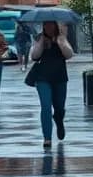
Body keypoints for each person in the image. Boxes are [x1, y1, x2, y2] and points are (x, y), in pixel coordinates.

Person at [29, 21, 75, 149]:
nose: (48, 27)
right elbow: (34, 56)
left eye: (50, 25)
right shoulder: (39, 38)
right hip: (42, 78)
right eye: (45, 25)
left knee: (59, 107)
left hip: (60, 77)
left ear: (55, 26)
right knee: (46, 107)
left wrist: (60, 43)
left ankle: (59, 122)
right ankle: (47, 137)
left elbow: (69, 54)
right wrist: (41, 44)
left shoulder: (61, 38)